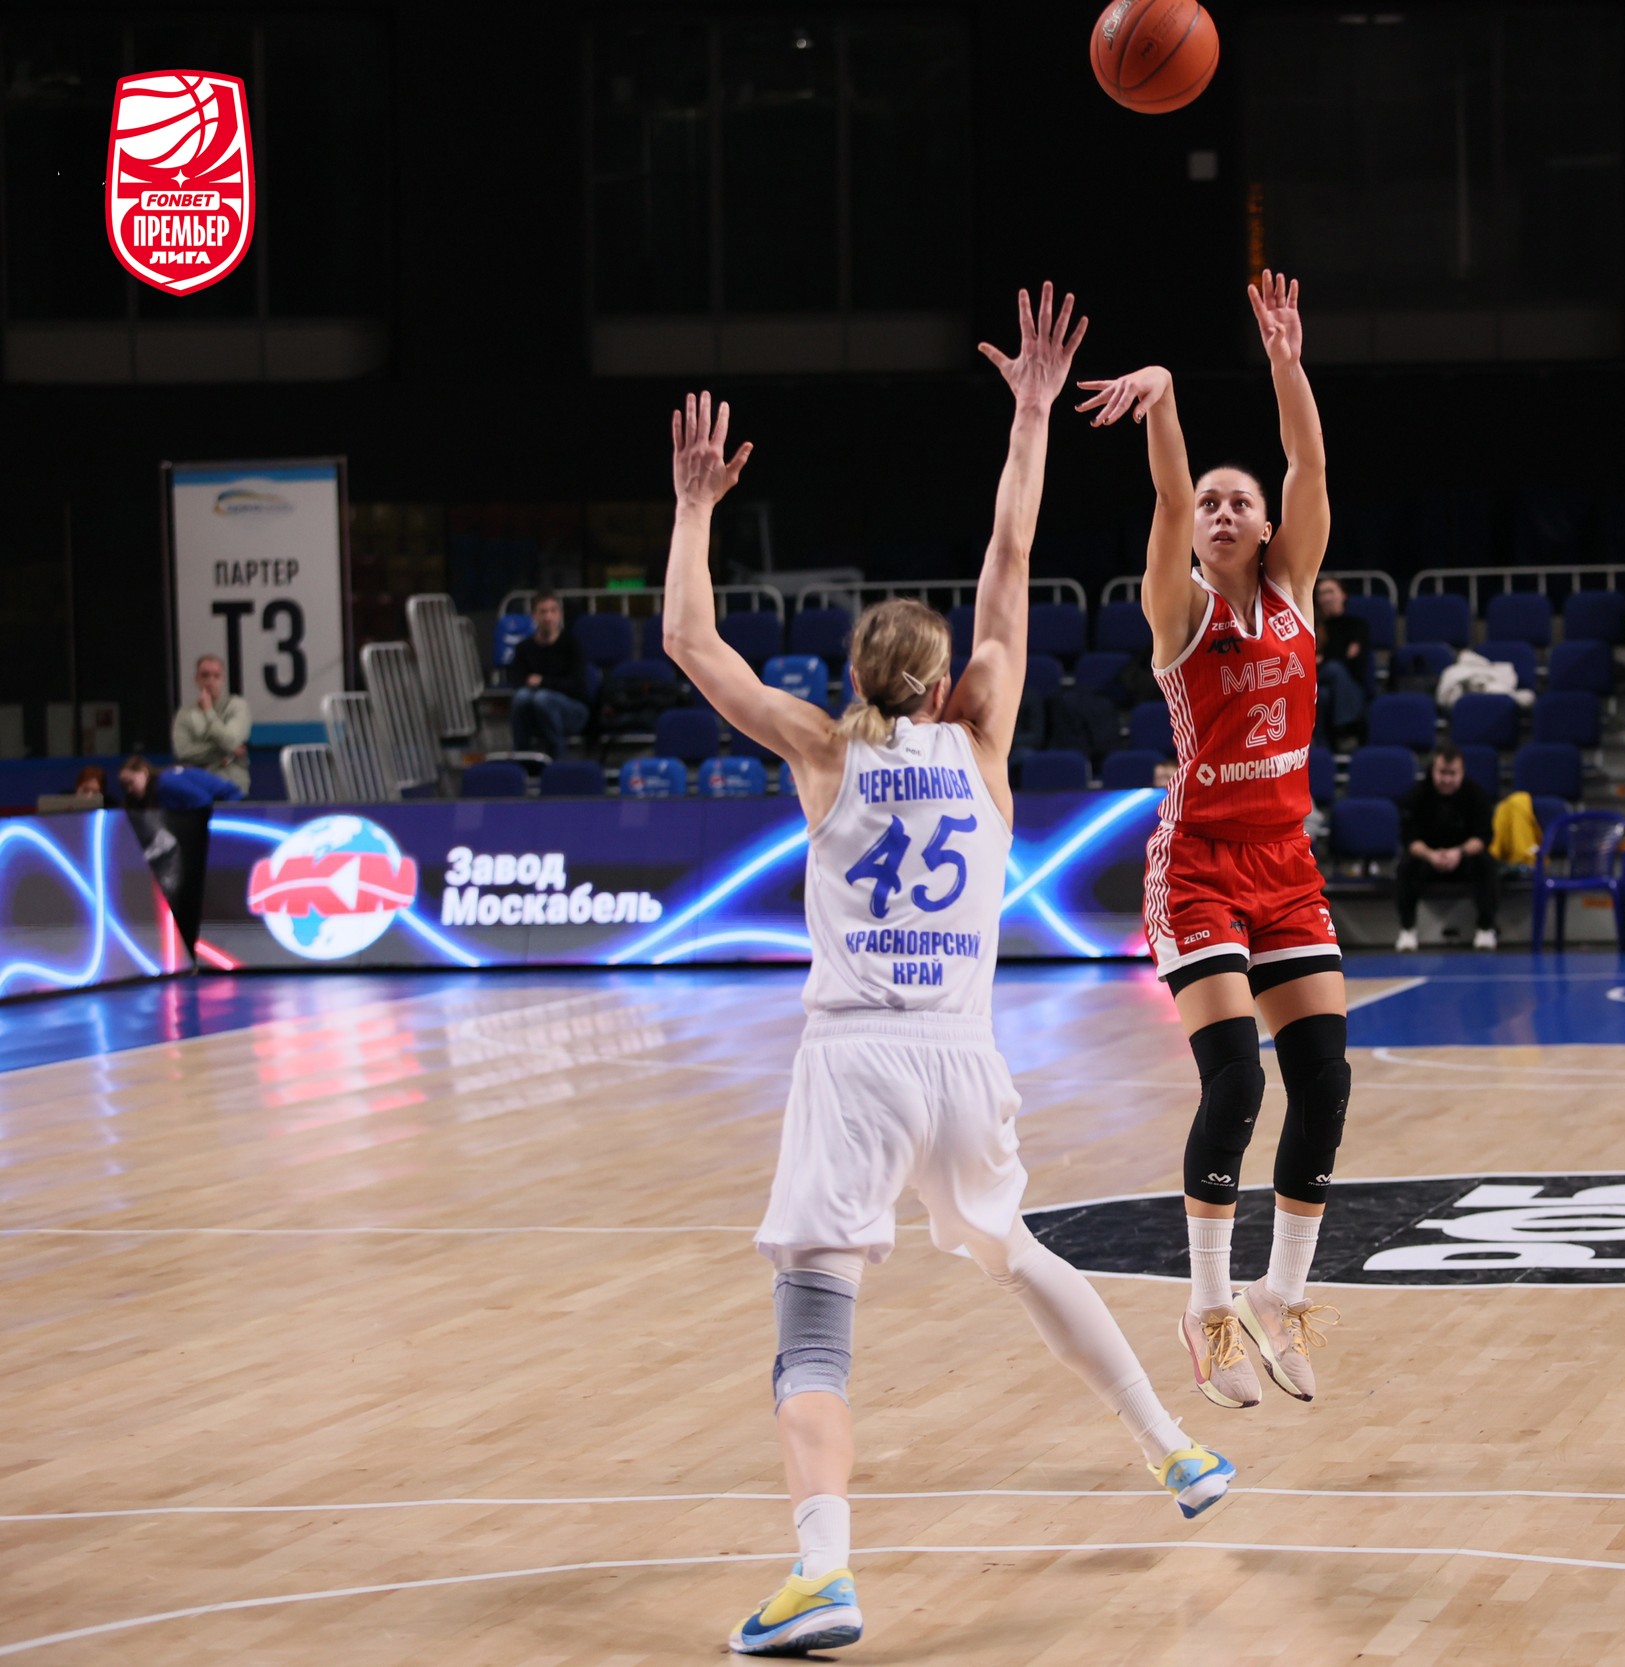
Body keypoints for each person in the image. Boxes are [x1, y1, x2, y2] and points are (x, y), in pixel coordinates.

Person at [657, 295, 1232, 1662]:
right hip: (964, 1055)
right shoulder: (983, 743)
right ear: (946, 683)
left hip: (856, 1056)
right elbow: (1010, 551)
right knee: (1010, 1246)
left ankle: (822, 1570)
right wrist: (1031, 415)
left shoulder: (821, 751)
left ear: (857, 678)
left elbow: (691, 642)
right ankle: (1175, 1444)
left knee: (813, 1317)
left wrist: (692, 509)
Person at [1078, 269, 1347, 1412]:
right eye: (1212, 503)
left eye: (1242, 501)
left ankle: (1282, 1293)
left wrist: (1286, 361)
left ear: (1268, 525)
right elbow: (1165, 492)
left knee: (1324, 1080)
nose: (1224, 511)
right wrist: (1166, 400)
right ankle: (1206, 1304)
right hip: (1196, 866)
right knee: (1235, 1077)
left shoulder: (1293, 588)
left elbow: (1308, 463)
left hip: (1284, 862)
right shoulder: (1178, 609)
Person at [1394, 744, 1499, 952]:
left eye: (1453, 774)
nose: (1447, 779)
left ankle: (1486, 929)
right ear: (1433, 770)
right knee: (1405, 866)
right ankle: (1407, 930)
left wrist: (1458, 852)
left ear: (1462, 772)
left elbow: (1483, 837)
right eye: (1442, 773)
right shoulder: (1417, 794)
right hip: (1428, 860)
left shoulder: (1476, 794)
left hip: (1463, 859)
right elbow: (1409, 839)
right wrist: (1431, 855)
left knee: (1486, 864)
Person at [508, 591, 592, 759]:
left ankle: (557, 758)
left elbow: (577, 685)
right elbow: (517, 681)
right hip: (535, 708)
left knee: (543, 698)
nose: (548, 617)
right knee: (521, 697)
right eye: (543, 612)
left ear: (559, 614)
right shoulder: (524, 648)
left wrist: (542, 681)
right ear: (534, 616)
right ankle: (522, 756)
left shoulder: (572, 644)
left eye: (553, 611)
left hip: (573, 709)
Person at [171, 654, 251, 791]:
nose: (210, 681)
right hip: (197, 783)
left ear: (223, 679)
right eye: (205, 675)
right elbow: (182, 752)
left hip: (232, 782)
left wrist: (208, 711)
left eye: (216, 676)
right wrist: (226, 752)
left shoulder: (238, 706)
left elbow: (231, 741)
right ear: (196, 678)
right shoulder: (184, 714)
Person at [1313, 574, 1370, 745]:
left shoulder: (1357, 624)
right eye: (1322, 593)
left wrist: (1325, 657)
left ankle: (1325, 747)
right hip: (1318, 677)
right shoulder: (1314, 625)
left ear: (1343, 595)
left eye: (1330, 592)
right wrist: (1340, 655)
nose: (1326, 598)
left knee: (1324, 696)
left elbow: (1356, 659)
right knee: (1335, 669)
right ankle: (1346, 727)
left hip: (1347, 681)